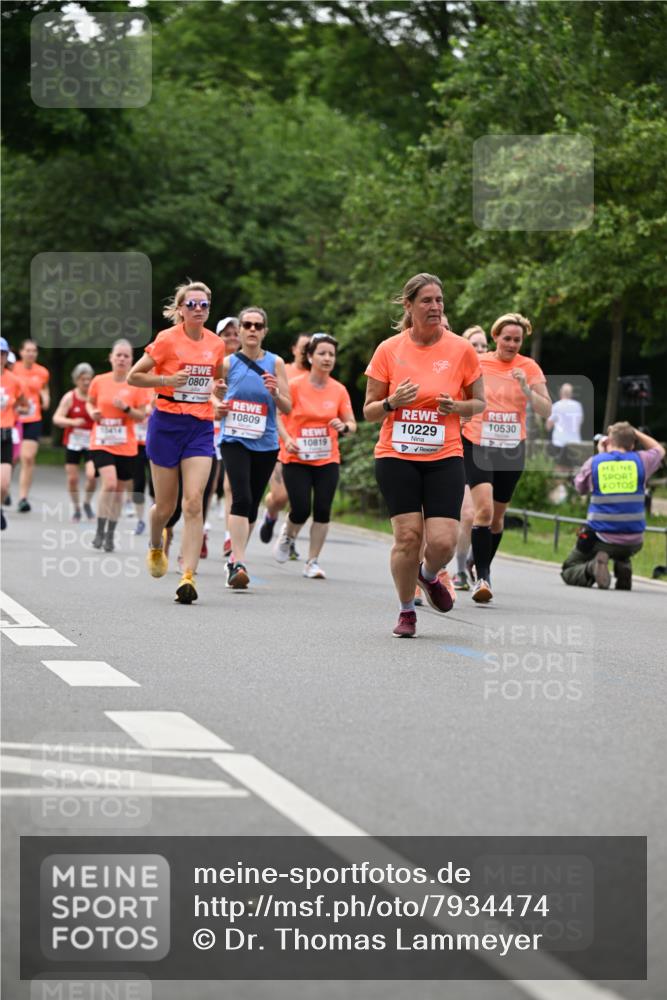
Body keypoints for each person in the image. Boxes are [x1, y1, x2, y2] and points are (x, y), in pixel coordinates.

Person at [363, 273, 485, 638]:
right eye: (427, 301)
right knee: (407, 537)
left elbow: (479, 403)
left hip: (444, 454)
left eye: (439, 300)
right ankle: (406, 610)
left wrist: (457, 405)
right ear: (409, 306)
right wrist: (391, 402)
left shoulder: (461, 349)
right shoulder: (389, 349)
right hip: (396, 454)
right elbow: (369, 410)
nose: (435, 307)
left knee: (444, 540)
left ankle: (428, 576)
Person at [127, 281, 226, 604]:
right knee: (166, 508)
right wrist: (166, 380)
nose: (198, 310)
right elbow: (134, 376)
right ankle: (156, 544)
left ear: (209, 309)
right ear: (181, 309)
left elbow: (212, 383)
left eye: (204, 305)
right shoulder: (167, 340)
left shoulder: (215, 344)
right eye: (192, 304)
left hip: (199, 426)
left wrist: (217, 393)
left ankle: (188, 576)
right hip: (166, 424)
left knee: (194, 501)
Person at [462, 313, 551, 603]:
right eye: (507, 338)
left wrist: (526, 389)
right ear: (495, 337)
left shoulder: (529, 367)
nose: (512, 344)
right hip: (478, 443)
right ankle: (482, 578)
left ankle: (479, 558)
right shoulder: (479, 362)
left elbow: (546, 410)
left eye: (517, 340)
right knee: (484, 511)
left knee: (497, 519)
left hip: (511, 448)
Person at [217, 305, 291, 589]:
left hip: (266, 442)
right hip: (234, 439)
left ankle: (235, 559)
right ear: (240, 330)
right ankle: (238, 562)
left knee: (252, 505)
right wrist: (218, 404)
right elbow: (211, 394)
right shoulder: (227, 363)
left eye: (257, 326)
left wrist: (275, 393)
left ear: (264, 331)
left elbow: (288, 405)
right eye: (246, 325)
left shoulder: (276, 363)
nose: (251, 330)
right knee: (242, 497)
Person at [273, 333, 356, 578]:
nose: (327, 358)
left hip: (327, 457)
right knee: (300, 509)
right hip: (297, 457)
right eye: (322, 353)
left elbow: (351, 423)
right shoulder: (296, 386)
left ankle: (312, 561)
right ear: (310, 356)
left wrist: (345, 428)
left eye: (331, 354)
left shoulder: (339, 390)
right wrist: (287, 439)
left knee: (322, 509)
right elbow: (277, 415)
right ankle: (288, 534)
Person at [561, 422, 665, 589]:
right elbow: (660, 451)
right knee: (621, 551)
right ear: (632, 444)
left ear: (608, 441)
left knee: (569, 568)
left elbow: (579, 487)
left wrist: (601, 454)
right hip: (634, 541)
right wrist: (636, 432)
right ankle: (623, 566)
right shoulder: (641, 461)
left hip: (602, 539)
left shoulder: (595, 462)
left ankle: (592, 568)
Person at [87, 340, 147, 553]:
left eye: (126, 356)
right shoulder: (99, 381)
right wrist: (91, 412)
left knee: (120, 491)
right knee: (110, 484)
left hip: (126, 445)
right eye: (118, 355)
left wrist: (127, 408)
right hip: (101, 442)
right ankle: (100, 530)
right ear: (111, 357)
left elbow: (142, 415)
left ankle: (110, 533)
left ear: (132, 360)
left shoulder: (136, 384)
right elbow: (89, 402)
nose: (122, 359)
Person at [259, 331, 311, 546]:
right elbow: (274, 406)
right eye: (304, 347)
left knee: (299, 501)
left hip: (306, 447)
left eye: (311, 348)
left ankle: (289, 541)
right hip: (280, 441)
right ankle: (270, 514)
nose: (307, 352)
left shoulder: (318, 377)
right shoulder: (284, 371)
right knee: (280, 497)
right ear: (294, 349)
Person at [51, 362, 97, 522]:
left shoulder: (95, 396)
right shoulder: (70, 397)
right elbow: (56, 418)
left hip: (92, 442)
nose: (86, 382)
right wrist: (72, 422)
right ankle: (76, 508)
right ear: (76, 380)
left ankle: (87, 503)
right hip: (73, 442)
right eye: (83, 379)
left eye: (89, 379)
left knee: (92, 476)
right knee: (72, 479)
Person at [13, 339, 50, 512]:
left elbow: (44, 390)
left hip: (33, 418)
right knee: (12, 458)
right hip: (13, 418)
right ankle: (3, 489)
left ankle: (23, 498)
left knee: (27, 458)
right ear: (21, 352)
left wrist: (46, 397)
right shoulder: (13, 368)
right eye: (27, 350)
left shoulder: (42, 372)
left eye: (34, 351)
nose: (31, 353)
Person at [1, 338, 28, 531]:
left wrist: (19, 409)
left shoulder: (14, 380)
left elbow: (25, 404)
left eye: (2, 354)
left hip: (5, 434)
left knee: (3, 485)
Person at [546, 382, 584, 470]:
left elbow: (548, 426)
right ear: (571, 394)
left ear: (560, 393)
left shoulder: (556, 406)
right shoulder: (578, 406)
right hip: (575, 442)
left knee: (559, 469)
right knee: (573, 469)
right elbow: (580, 422)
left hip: (559, 442)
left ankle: (560, 484)